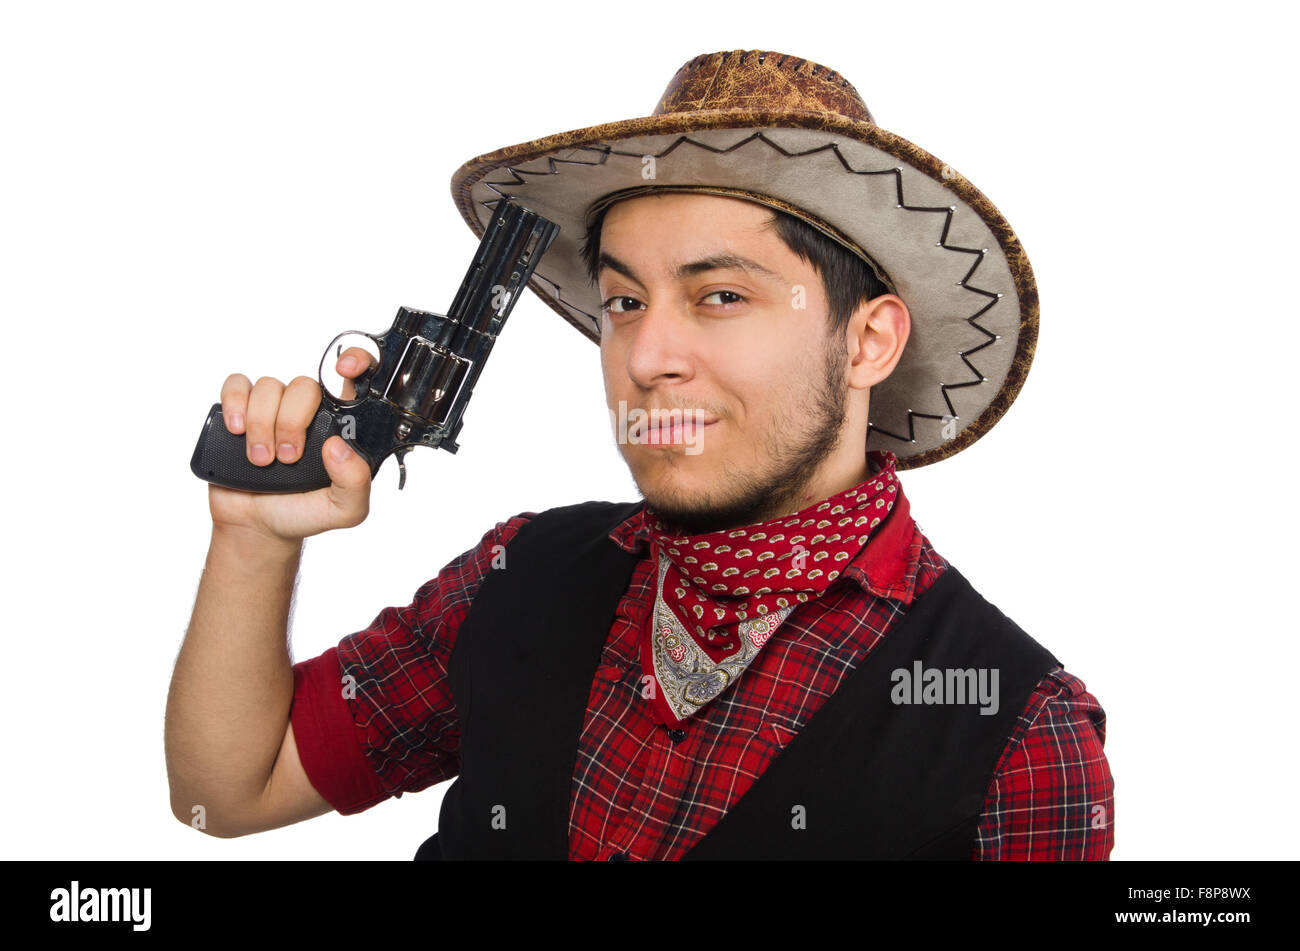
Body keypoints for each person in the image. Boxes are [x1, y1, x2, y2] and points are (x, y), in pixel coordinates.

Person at [166, 49, 1114, 859]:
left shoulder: (1021, 735)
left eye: (722, 296)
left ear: (867, 343)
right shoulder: (519, 571)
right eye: (624, 302)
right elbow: (226, 791)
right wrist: (252, 539)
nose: (647, 358)